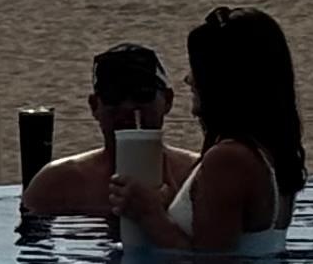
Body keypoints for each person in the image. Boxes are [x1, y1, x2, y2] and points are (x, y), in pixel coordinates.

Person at [111, 4, 300, 254]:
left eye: (197, 69)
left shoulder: (229, 159)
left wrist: (149, 215)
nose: (189, 79)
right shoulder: (270, 151)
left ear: (221, 80)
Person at [19, 44, 199, 224]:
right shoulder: (57, 183)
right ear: (94, 106)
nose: (128, 107)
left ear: (167, 100)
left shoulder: (195, 175)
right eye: (113, 96)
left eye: (142, 94)